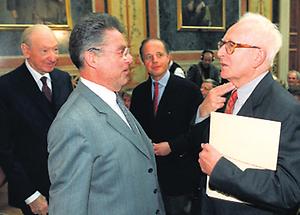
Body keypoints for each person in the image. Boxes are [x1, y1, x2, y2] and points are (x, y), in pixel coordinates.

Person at [47, 13, 165, 215]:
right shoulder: (72, 124)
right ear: (92, 58)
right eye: (122, 52)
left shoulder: (114, 100)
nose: (130, 59)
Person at [193, 12, 300, 215]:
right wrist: (202, 113)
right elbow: (201, 152)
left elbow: (289, 191)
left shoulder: (287, 110)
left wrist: (220, 171)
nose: (220, 53)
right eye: (222, 44)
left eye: (231, 46)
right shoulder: (223, 95)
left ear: (257, 56)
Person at [0, 24, 73, 215]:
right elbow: (5, 148)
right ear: (26, 50)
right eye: (45, 50)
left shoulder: (63, 79)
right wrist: (31, 195)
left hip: (68, 183)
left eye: (55, 49)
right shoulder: (6, 87)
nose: (53, 57)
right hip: (34, 190)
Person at [130, 38, 203, 215]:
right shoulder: (138, 93)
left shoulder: (189, 90)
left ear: (169, 57)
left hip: (180, 176)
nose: (154, 60)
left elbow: (199, 132)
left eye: (159, 55)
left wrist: (172, 146)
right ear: (142, 62)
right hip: (149, 176)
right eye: (148, 57)